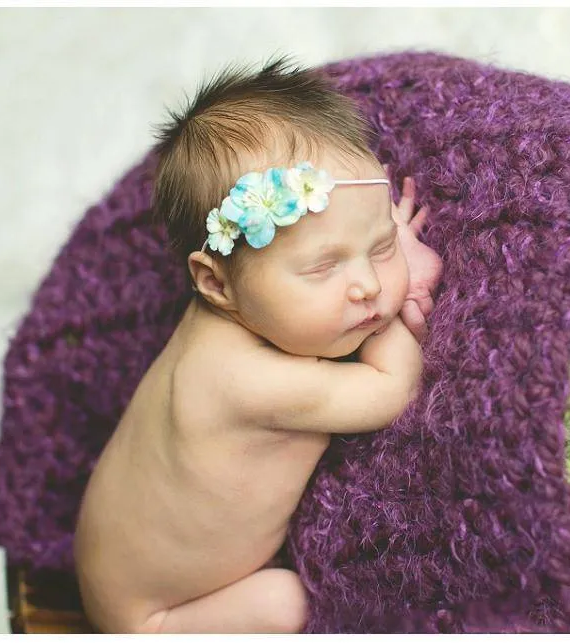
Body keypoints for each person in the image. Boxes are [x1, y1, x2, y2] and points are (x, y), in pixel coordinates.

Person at [72, 58, 443, 634]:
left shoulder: (250, 308)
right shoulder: (242, 380)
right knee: (286, 600)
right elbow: (391, 391)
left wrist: (385, 242)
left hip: (115, 558)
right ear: (217, 283)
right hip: (152, 616)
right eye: (322, 268)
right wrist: (402, 301)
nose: (368, 285)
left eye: (381, 246)